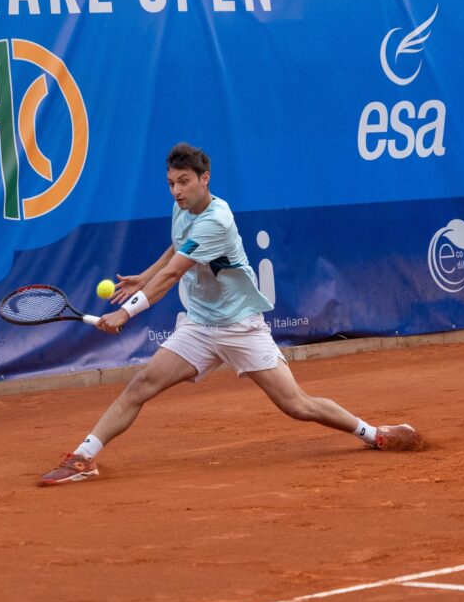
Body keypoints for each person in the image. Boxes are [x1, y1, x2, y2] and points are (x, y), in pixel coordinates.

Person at [39, 143, 424, 485]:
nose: (176, 191)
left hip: (240, 327)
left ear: (204, 178)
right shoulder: (183, 209)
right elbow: (174, 251)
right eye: (171, 183)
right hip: (199, 325)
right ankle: (84, 457)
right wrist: (144, 276)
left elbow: (176, 272)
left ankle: (373, 433)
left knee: (297, 405)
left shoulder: (216, 220)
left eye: (184, 182)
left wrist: (127, 313)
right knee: (141, 385)